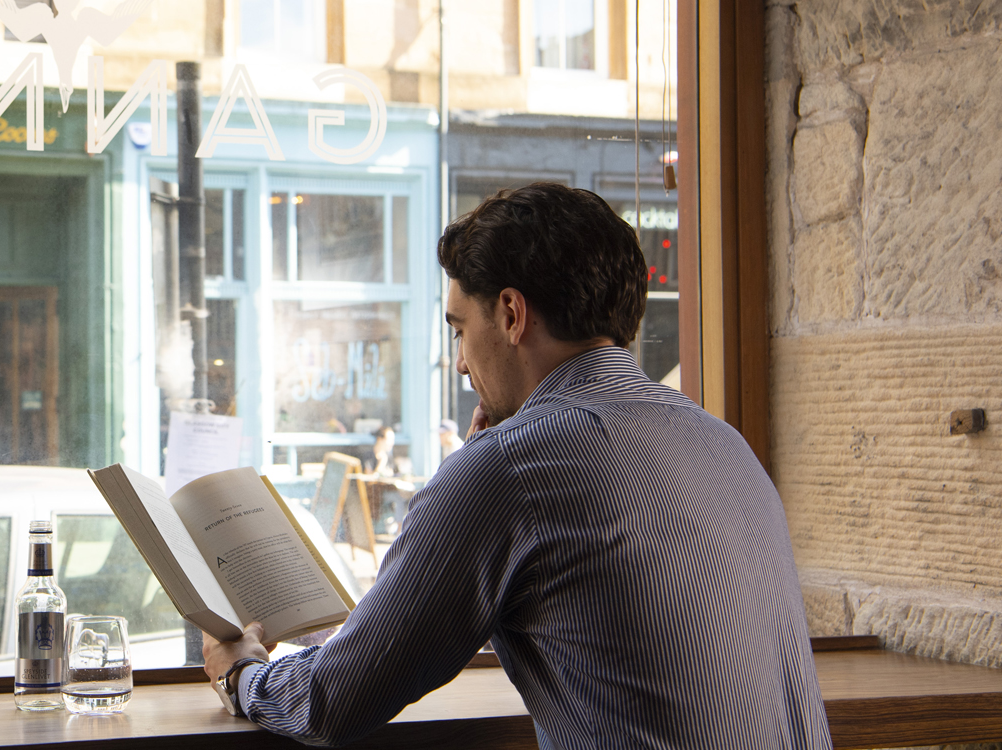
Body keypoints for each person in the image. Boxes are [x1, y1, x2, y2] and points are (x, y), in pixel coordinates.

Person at [203, 183, 831, 748]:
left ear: (510, 314)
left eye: (458, 330)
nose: (461, 364)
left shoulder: (511, 466)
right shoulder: (724, 444)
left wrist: (242, 673)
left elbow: (333, 700)